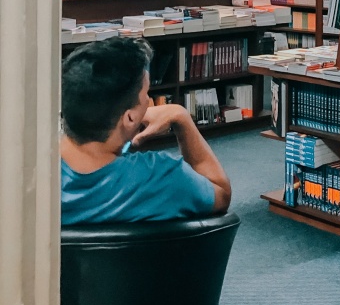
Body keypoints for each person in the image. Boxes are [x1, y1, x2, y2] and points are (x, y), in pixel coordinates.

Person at [61, 37, 231, 224]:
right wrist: (180, 116)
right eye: (146, 94)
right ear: (130, 118)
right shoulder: (164, 177)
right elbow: (220, 193)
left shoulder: (31, 174)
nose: (148, 100)